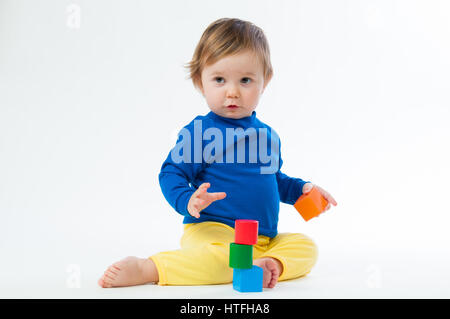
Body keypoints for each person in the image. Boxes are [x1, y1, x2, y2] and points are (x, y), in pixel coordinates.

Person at [98, 17, 337, 289]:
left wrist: (302, 189)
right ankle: (150, 268)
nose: (232, 92)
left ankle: (269, 265)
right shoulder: (200, 132)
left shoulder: (268, 136)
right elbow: (171, 173)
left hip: (263, 238)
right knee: (218, 258)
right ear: (201, 82)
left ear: (264, 82)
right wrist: (187, 199)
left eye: (245, 80)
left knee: (306, 247)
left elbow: (273, 179)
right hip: (213, 232)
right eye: (220, 80)